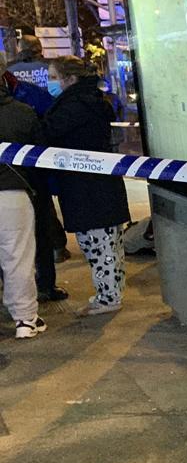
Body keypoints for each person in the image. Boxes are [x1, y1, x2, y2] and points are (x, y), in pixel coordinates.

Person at [44, 56, 131, 317]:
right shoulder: (88, 100)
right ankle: (108, 294)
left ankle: (108, 297)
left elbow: (47, 131)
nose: (50, 83)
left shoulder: (75, 106)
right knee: (105, 244)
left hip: (89, 190)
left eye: (53, 77)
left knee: (99, 245)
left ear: (70, 79)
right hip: (95, 188)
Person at [1, 54, 68, 302]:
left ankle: (45, 286)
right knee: (21, 246)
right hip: (24, 182)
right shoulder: (22, 101)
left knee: (38, 235)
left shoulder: (25, 93)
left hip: (31, 183)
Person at [0, 75, 47, 338]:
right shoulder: (22, 112)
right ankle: (26, 319)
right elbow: (39, 155)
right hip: (11, 192)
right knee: (17, 259)